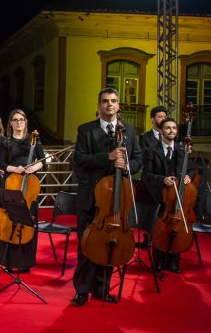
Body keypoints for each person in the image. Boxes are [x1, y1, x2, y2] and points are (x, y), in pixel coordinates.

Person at [71, 87, 142, 306]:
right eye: (105, 101)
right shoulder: (86, 130)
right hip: (91, 197)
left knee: (110, 243)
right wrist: (108, 157)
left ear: (119, 106)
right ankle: (82, 290)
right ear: (98, 105)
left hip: (115, 199)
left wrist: (127, 164)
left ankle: (102, 289)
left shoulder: (129, 131)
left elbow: (139, 159)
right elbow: (79, 159)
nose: (109, 105)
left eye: (113, 101)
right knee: (87, 245)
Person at [0, 108, 45, 271]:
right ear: (11, 123)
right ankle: (8, 261)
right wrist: (15, 169)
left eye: (21, 119)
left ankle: (25, 262)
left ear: (25, 122)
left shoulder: (33, 140)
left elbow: (43, 161)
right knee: (9, 221)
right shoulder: (6, 142)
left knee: (27, 222)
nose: (18, 123)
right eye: (15, 120)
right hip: (11, 184)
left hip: (29, 187)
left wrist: (33, 167)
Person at [141, 117, 195, 274]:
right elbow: (146, 175)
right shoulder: (151, 150)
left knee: (176, 227)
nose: (171, 131)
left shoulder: (182, 150)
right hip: (159, 196)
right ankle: (158, 261)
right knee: (160, 228)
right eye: (168, 128)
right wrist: (162, 179)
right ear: (161, 131)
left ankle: (173, 262)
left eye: (174, 128)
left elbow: (192, 168)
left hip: (178, 197)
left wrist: (189, 176)